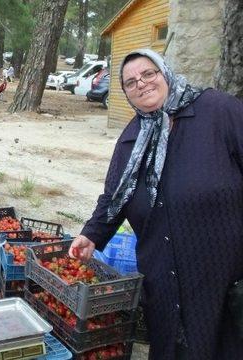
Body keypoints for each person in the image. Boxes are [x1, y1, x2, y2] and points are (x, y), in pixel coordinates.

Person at [68, 48, 243, 359]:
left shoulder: (218, 111)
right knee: (172, 346)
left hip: (220, 269)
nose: (142, 84)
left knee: (222, 344)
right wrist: (91, 235)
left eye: (149, 73)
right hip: (162, 273)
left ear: (165, 72)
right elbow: (114, 196)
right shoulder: (130, 138)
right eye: (131, 82)